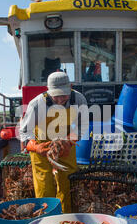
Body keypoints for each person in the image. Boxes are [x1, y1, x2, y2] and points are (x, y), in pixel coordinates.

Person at [19, 71, 88, 213]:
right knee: (44, 186)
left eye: (64, 94)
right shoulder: (37, 104)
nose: (61, 99)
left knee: (68, 183)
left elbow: (83, 125)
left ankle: (67, 217)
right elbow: (25, 132)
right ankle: (46, 217)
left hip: (65, 144)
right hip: (42, 146)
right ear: (48, 90)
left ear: (71, 86)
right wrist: (36, 147)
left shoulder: (79, 99)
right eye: (56, 95)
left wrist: (69, 141)